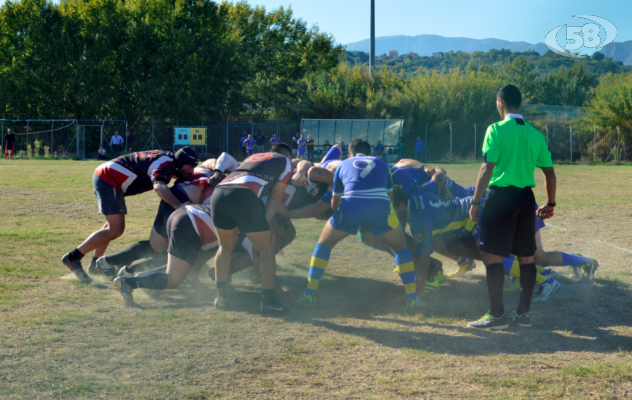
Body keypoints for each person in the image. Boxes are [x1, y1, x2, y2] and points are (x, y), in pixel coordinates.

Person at [294, 139, 424, 311]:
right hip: (380, 209)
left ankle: (309, 294)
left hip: (350, 207)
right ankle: (413, 299)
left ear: (349, 154)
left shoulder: (343, 165)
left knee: (324, 244)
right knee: (401, 248)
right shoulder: (381, 163)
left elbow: (334, 205)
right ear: (370, 153)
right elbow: (390, 199)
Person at [467, 84, 556, 330]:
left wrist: (475, 201)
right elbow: (550, 174)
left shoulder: (495, 129)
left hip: (500, 198)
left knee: (493, 256)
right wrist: (550, 203)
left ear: (500, 103)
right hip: (527, 199)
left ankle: (496, 317)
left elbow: (487, 168)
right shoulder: (536, 135)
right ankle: (523, 315)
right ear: (520, 104)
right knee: (527, 258)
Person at [61, 148, 199, 283]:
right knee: (115, 229)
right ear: (180, 163)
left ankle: (96, 265)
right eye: (190, 167)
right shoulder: (166, 165)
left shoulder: (168, 160)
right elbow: (159, 187)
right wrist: (180, 206)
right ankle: (73, 257)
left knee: (111, 227)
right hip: (108, 177)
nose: (192, 171)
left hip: (109, 175)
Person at [100, 153, 239, 277]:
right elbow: (222, 158)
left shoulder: (220, 176)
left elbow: (221, 160)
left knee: (157, 246)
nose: (191, 169)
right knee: (176, 249)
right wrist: (218, 172)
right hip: (179, 202)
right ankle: (126, 269)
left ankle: (110, 262)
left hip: (178, 200)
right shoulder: (223, 173)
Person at [210, 143, 293, 314]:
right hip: (244, 195)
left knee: (224, 246)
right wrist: (265, 224)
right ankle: (269, 300)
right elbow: (275, 198)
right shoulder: (286, 162)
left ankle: (220, 296)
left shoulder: (253, 157)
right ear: (288, 156)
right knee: (266, 248)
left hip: (219, 193)